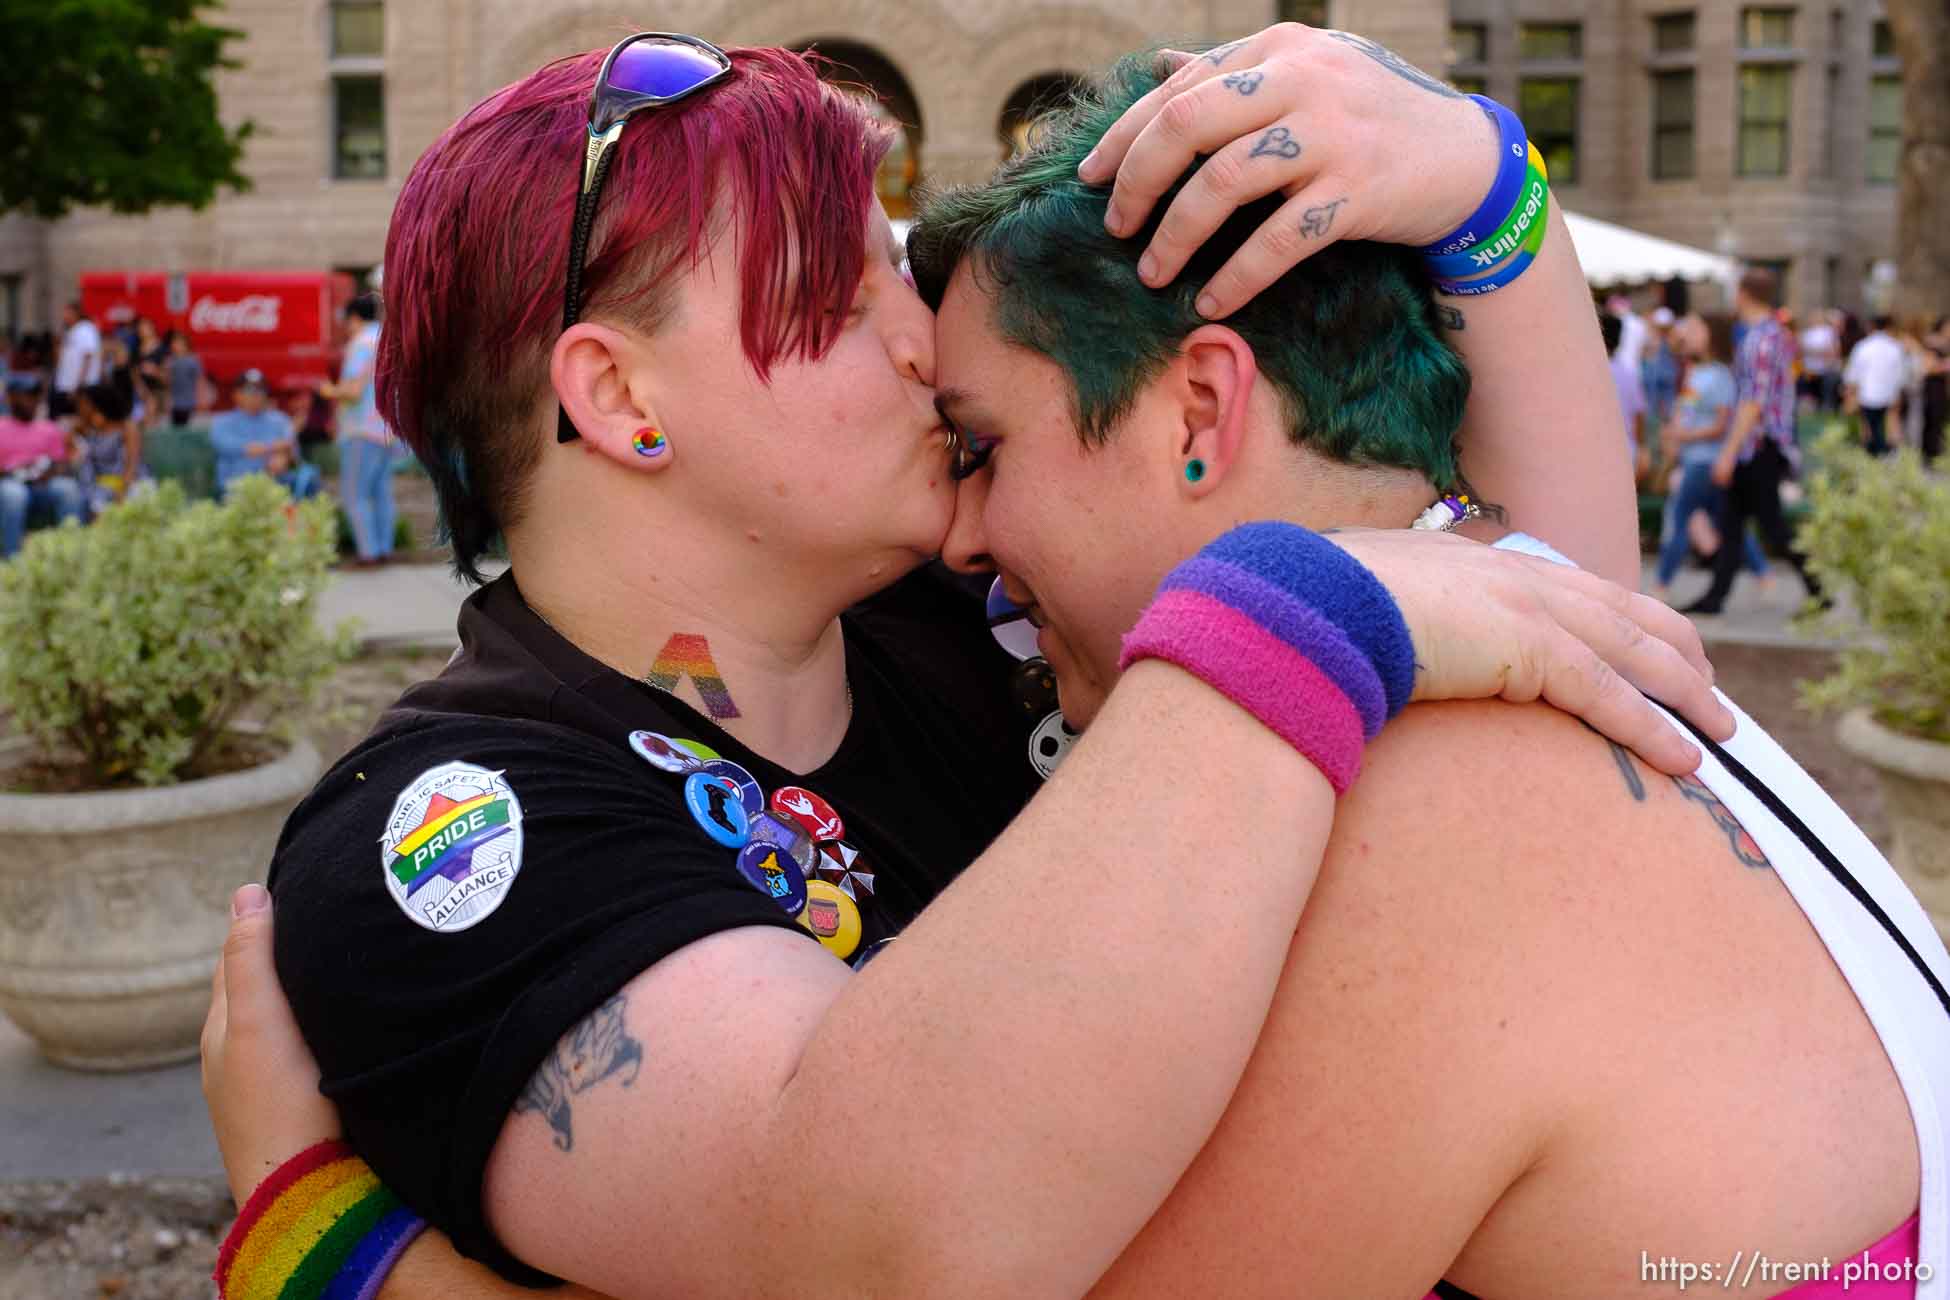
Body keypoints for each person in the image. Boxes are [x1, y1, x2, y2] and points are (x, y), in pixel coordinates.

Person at [202, 33, 1948, 1300]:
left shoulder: (988, 620)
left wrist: (1493, 199)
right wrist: (1318, 607)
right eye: (836, 283)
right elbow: (877, 1239)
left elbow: (1568, 615)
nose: (914, 327)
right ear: (619, 398)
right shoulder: (451, 823)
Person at [1680, 268, 1820, 616]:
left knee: (1772, 525)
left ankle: (1820, 589)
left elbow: (1752, 403)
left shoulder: (1760, 340)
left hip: (1758, 447)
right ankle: (1717, 595)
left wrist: (1728, 453)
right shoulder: (1774, 334)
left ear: (1742, 293)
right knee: (1732, 522)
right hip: (1761, 445)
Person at [1652, 313, 1767, 599]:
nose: (1687, 333)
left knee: (1678, 517)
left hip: (1705, 462)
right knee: (1727, 521)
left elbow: (1721, 426)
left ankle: (1660, 584)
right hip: (1696, 460)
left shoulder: (1719, 376)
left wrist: (1682, 436)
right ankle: (1764, 575)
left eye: (1694, 328)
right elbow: (1688, 413)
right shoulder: (1695, 372)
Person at [318, 294, 394, 564]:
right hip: (388, 429)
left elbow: (351, 391)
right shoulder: (388, 340)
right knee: (380, 492)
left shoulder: (361, 343)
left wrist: (328, 391)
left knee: (354, 493)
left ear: (353, 318)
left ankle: (368, 552)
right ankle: (384, 548)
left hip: (361, 429)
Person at [207, 368, 322, 500]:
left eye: (261, 390)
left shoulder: (279, 419)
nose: (256, 394)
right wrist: (275, 448)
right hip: (236, 490)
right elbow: (238, 448)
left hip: (277, 487)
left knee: (309, 482)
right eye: (249, 390)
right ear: (235, 394)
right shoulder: (222, 422)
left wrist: (283, 458)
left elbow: (292, 453)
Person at [0, 376, 82, 557]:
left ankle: (72, 554)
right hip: (10, 485)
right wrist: (14, 471)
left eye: (34, 396)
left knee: (68, 489)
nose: (32, 401)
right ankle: (11, 561)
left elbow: (63, 465)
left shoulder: (49, 428)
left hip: (44, 486)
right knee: (14, 494)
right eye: (26, 396)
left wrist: (48, 471)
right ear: (11, 398)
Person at [71, 381, 144, 516]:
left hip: (129, 484)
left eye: (84, 403)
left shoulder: (127, 427)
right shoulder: (87, 430)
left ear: (96, 405)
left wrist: (121, 492)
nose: (79, 408)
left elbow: (132, 464)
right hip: (99, 488)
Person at [1846, 314, 1908, 456]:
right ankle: (1888, 456)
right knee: (1887, 427)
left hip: (1867, 394)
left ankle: (1870, 455)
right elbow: (1900, 374)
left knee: (1868, 428)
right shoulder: (1895, 346)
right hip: (1889, 394)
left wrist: (1850, 392)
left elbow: (1853, 373)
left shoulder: (1863, 346)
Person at [1602, 310, 1649, 483]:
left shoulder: (1592, 372)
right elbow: (1639, 415)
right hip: (1627, 452)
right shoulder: (1628, 372)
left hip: (1603, 452)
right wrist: (1641, 447)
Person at [50, 300, 101, 421]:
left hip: (80, 386)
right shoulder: (69, 331)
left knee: (80, 418)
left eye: (68, 312)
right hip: (65, 385)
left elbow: (88, 356)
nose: (65, 316)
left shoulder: (86, 329)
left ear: (76, 313)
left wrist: (79, 384)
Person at [1799, 307, 1842, 411]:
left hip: (1825, 369)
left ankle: (1827, 407)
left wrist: (1819, 353)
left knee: (1826, 391)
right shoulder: (1807, 333)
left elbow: (1834, 350)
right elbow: (1801, 349)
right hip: (1810, 370)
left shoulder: (1828, 332)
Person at [1922, 315, 1948, 465]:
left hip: (1941, 389)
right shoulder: (1932, 342)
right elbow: (1928, 367)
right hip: (1933, 388)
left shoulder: (1944, 344)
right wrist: (1945, 365)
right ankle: (1931, 455)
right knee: (1933, 421)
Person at [164, 330, 203, 427]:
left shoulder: (192, 360)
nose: (177, 346)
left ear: (186, 344)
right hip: (175, 403)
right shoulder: (170, 361)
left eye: (180, 343)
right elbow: (167, 382)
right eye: (175, 343)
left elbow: (199, 381)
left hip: (189, 402)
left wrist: (200, 399)